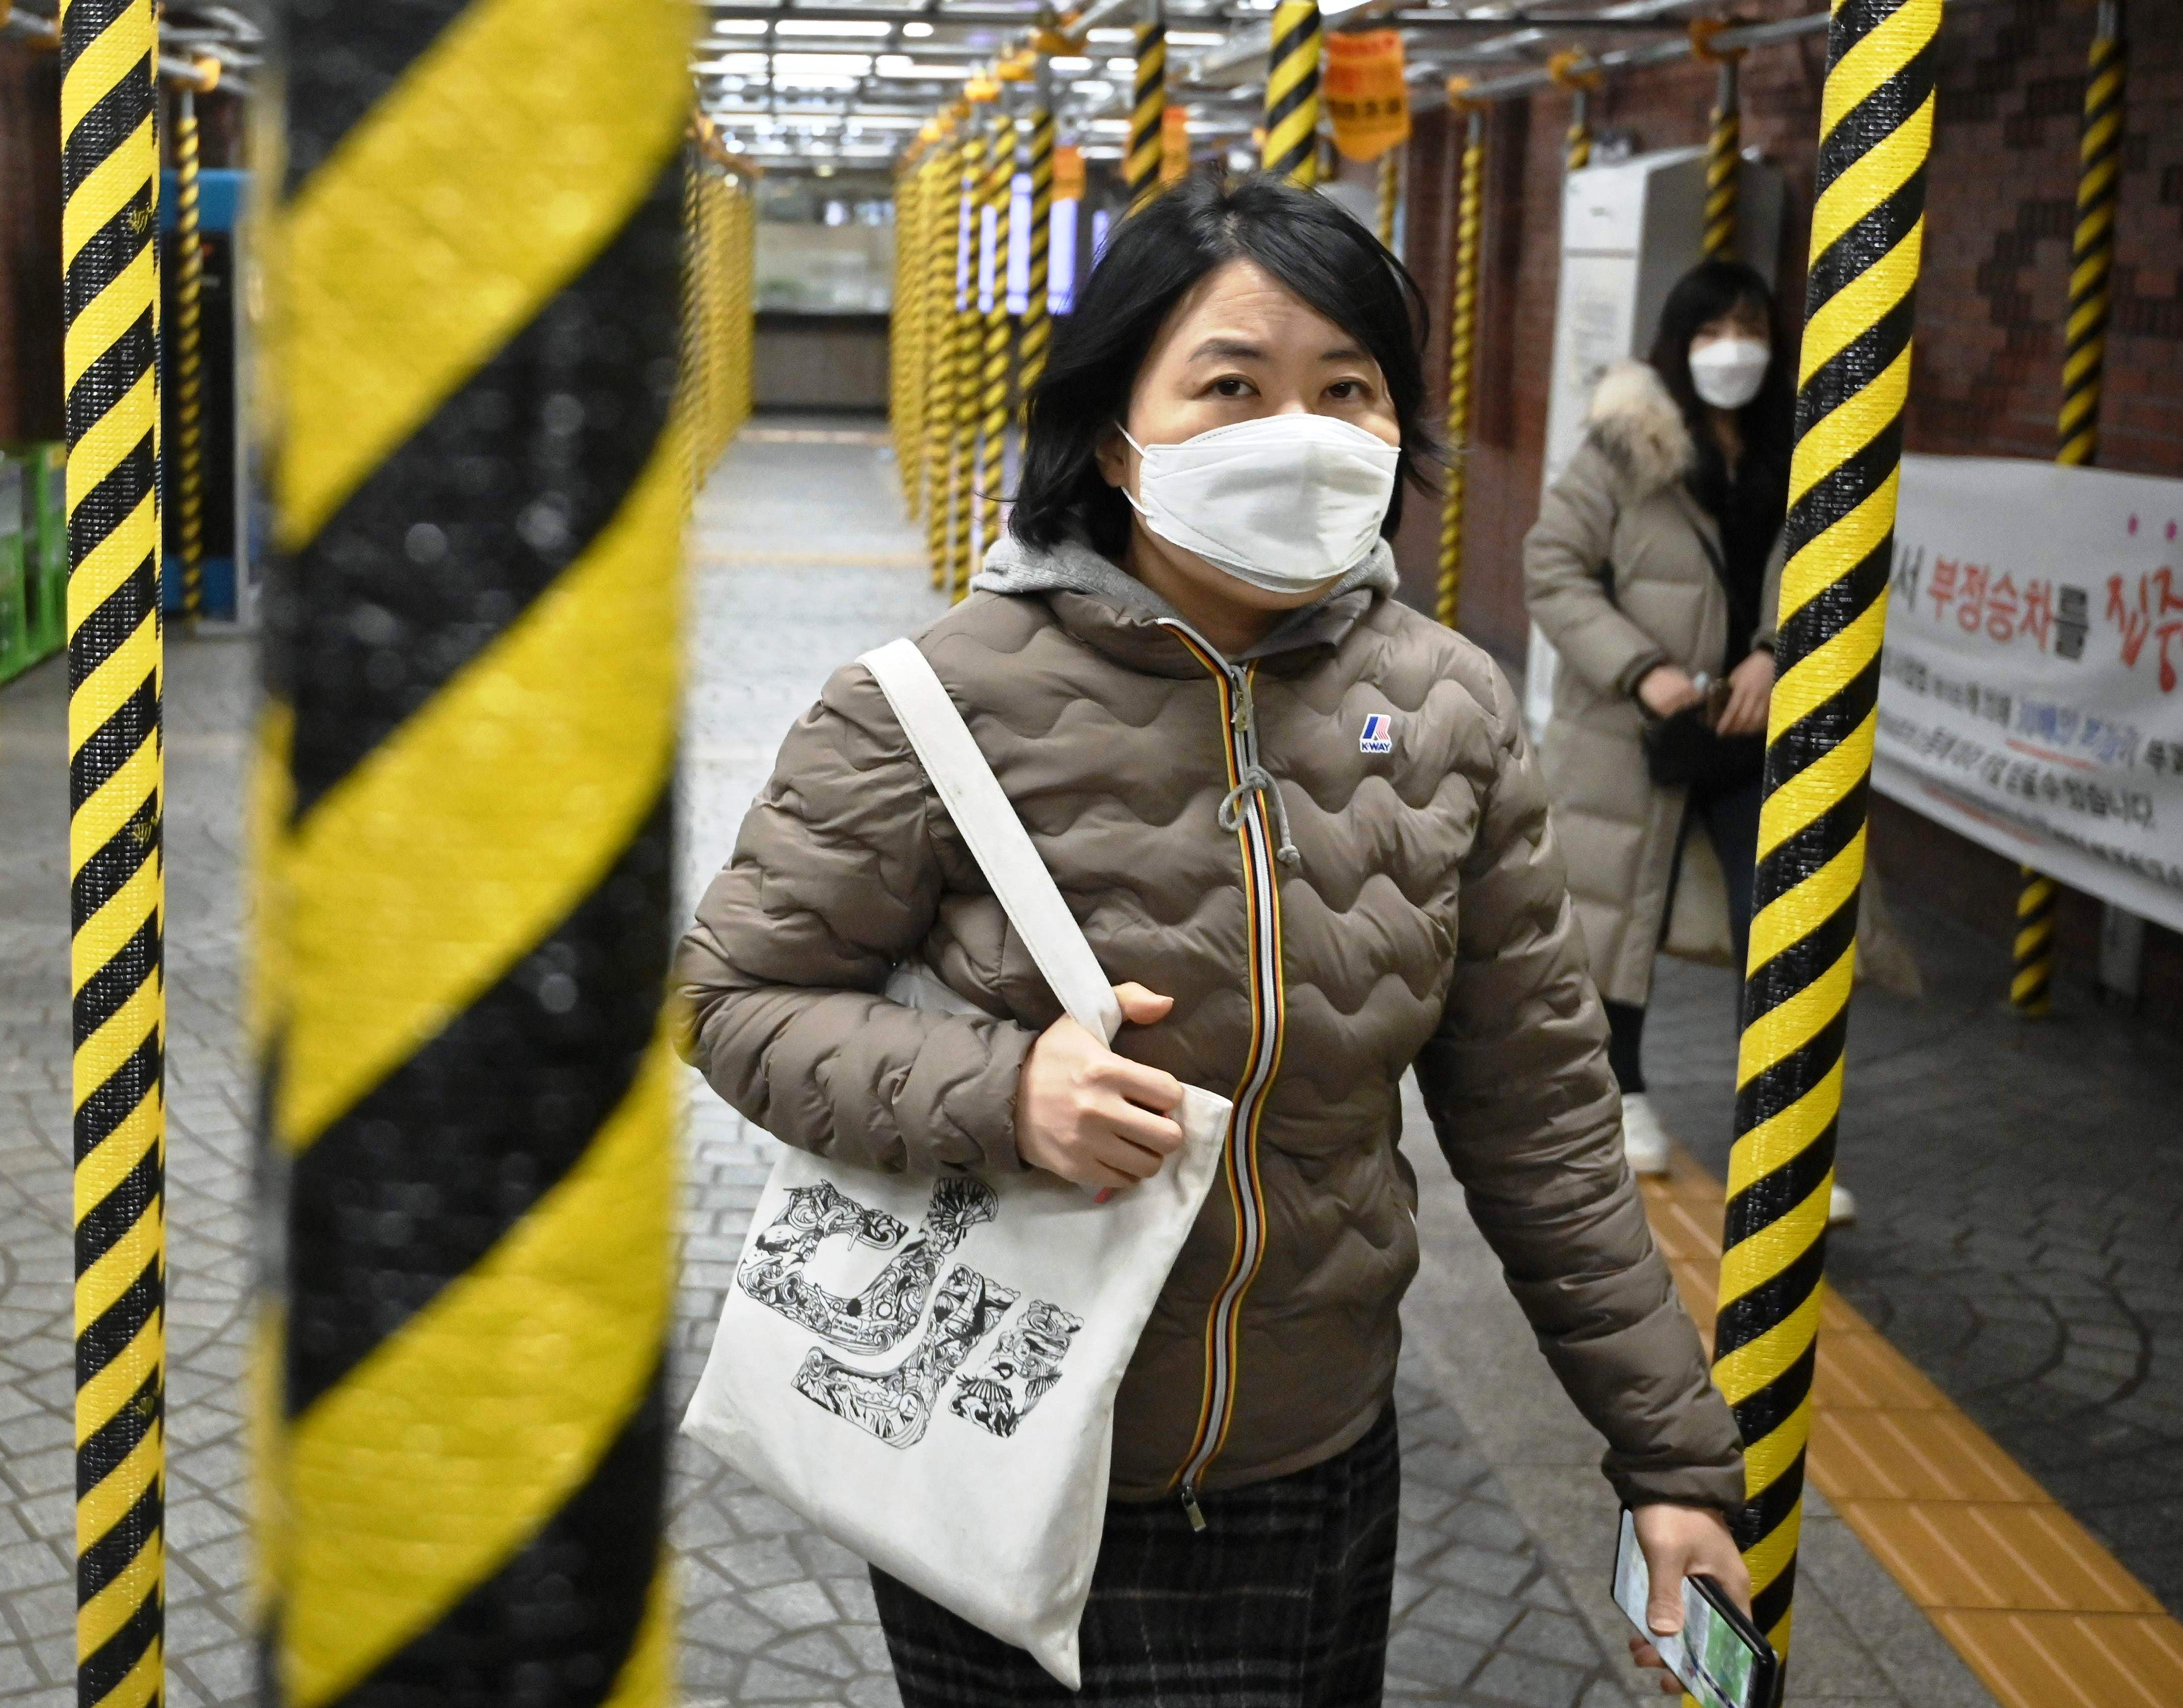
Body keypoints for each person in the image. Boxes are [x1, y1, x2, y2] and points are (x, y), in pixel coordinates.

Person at [676, 172, 1745, 1707]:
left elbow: (1546, 1126)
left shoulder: (1447, 714)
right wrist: (1003, 1094)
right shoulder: (928, 702)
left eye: (1345, 391)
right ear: (1115, 432)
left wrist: (1669, 1455)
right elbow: (735, 996)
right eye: (1231, 386)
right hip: (996, 1436)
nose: (1295, 434)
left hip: (1303, 1466)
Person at [1521, 261, 1854, 1224]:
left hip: (1759, 727)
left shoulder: (1808, 444)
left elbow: (1825, 566)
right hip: (1642, 725)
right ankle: (1620, 1094)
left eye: (1748, 329)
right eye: (1709, 333)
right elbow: (1553, 566)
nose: (1730, 351)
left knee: (1783, 921)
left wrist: (1770, 656)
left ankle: (1786, 1137)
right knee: (1618, 910)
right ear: (1678, 345)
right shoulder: (1626, 449)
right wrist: (1642, 669)